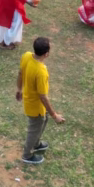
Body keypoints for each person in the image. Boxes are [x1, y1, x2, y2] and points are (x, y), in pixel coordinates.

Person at [17, 37, 65, 165]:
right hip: (35, 107)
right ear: (46, 54)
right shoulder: (41, 71)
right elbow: (43, 96)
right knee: (34, 129)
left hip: (31, 101)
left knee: (43, 121)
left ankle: (37, 144)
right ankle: (26, 155)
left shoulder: (27, 56)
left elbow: (20, 73)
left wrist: (18, 89)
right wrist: (55, 115)